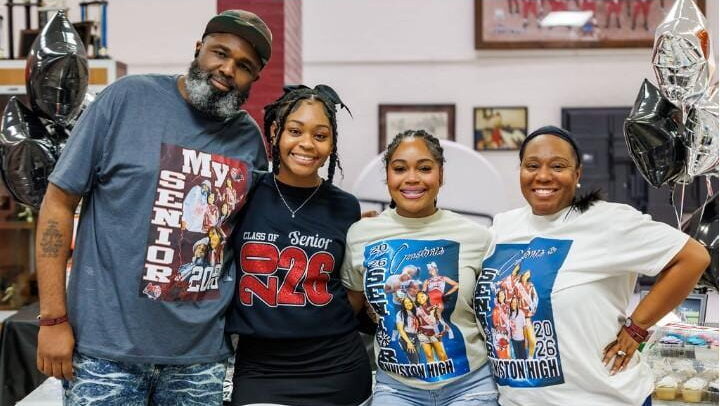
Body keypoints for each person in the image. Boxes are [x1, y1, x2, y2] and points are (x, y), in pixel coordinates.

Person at [34, 9, 272, 404]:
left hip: (200, 359)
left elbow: (255, 232)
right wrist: (53, 319)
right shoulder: (127, 99)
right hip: (105, 354)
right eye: (219, 53)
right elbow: (58, 202)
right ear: (198, 49)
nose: (228, 69)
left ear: (254, 79)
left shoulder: (248, 139)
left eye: (244, 66)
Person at [474, 126, 710, 405]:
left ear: (577, 174)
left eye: (558, 166)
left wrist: (637, 328)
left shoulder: (608, 221)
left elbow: (693, 257)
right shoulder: (504, 226)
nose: (543, 176)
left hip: (601, 397)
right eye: (532, 166)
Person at [225, 85, 372, 406]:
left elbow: (350, 287)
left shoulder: (345, 206)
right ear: (275, 132)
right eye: (295, 131)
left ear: (332, 144)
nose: (307, 143)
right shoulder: (244, 193)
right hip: (262, 370)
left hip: (338, 367)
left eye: (320, 136)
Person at [342, 130, 498, 406]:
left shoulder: (478, 236)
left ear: (441, 174)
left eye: (424, 168)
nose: (412, 178)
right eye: (400, 169)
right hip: (396, 388)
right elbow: (347, 309)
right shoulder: (360, 234)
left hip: (470, 385)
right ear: (388, 175)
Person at [397, 296, 421, 365]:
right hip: (406, 337)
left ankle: (416, 370)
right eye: (406, 303)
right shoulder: (401, 314)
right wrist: (409, 342)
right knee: (414, 360)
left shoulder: (415, 312)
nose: (408, 304)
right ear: (403, 305)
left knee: (417, 358)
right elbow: (400, 329)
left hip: (416, 337)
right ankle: (414, 371)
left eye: (409, 302)